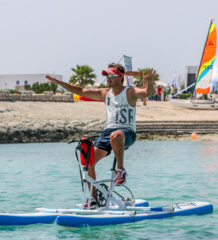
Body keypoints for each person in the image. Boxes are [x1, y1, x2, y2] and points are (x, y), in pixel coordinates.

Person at [45, 63, 156, 209]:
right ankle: (93, 199)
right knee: (88, 159)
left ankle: (121, 171)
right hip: (107, 133)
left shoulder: (130, 92)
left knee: (116, 136)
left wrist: (150, 83)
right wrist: (59, 83)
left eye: (111, 75)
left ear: (120, 77)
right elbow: (81, 90)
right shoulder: (104, 93)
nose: (108, 78)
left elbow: (147, 93)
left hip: (126, 133)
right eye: (107, 75)